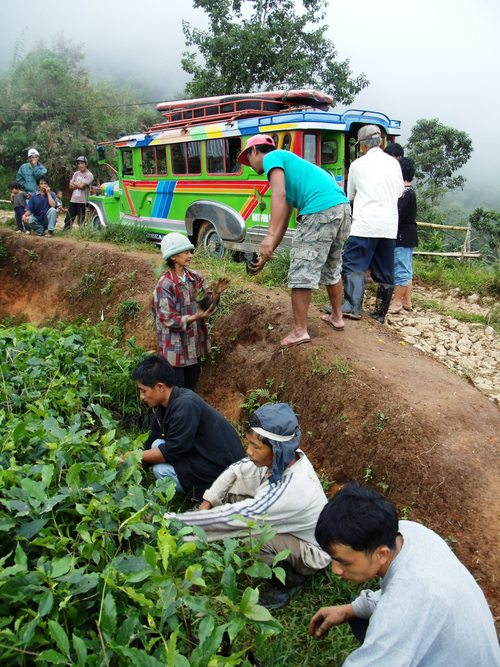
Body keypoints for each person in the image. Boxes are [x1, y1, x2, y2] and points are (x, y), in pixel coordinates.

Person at [308, 483, 500, 666]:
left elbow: (404, 604)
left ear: (381, 554)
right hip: (468, 648)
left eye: (343, 561)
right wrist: (350, 609)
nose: (335, 570)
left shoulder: (404, 607)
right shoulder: (408, 532)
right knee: (361, 620)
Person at [164, 402, 331, 608]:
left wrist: (175, 524)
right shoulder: (283, 459)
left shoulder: (292, 489)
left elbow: (241, 516)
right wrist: (207, 504)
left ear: (277, 450)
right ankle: (200, 520)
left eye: (256, 447)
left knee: (248, 535)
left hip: (312, 551)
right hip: (292, 528)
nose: (249, 451)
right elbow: (237, 469)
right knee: (237, 493)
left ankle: (289, 581)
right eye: (249, 443)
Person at [236, 134, 351, 347]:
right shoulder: (291, 169)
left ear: (254, 151)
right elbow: (283, 218)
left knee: (300, 272)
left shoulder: (273, 157)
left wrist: (268, 237)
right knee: (332, 267)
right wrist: (266, 253)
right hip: (342, 208)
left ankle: (300, 331)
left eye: (248, 160)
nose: (250, 166)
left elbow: (277, 195)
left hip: (320, 210)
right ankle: (337, 317)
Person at [133, 355, 245, 500]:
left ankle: (206, 495)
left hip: (220, 469)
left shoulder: (185, 406)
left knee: (160, 470)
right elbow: (154, 437)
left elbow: (173, 451)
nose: (141, 396)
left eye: (143, 391)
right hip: (202, 454)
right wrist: (137, 461)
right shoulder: (165, 404)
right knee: (156, 445)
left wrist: (135, 457)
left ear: (160, 387)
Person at [340, 125, 403, 324]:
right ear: (382, 142)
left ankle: (352, 306)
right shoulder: (394, 165)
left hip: (365, 224)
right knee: (385, 270)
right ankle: (379, 314)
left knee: (353, 263)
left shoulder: (358, 165)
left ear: (363, 146)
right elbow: (400, 192)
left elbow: (350, 195)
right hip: (389, 226)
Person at [153, 232, 229, 392]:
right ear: (173, 257)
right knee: (177, 395)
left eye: (190, 251)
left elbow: (208, 308)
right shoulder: (165, 285)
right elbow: (167, 320)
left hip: (193, 348)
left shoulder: (196, 277)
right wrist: (195, 317)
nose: (190, 255)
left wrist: (216, 294)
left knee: (190, 391)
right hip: (174, 352)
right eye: (186, 252)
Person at [388, 158, 418, 314]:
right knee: (407, 270)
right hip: (408, 236)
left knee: (401, 270)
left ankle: (397, 302)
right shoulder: (409, 192)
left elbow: (397, 216)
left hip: (402, 237)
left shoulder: (404, 194)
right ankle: (407, 301)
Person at [63, 156, 94, 230]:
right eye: (79, 163)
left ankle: (81, 234)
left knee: (81, 219)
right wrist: (78, 184)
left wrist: (75, 183)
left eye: (82, 163)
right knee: (69, 217)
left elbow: (81, 186)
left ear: (86, 164)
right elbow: (70, 186)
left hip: (83, 201)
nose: (80, 165)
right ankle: (65, 232)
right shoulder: (76, 173)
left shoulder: (89, 175)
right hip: (73, 199)